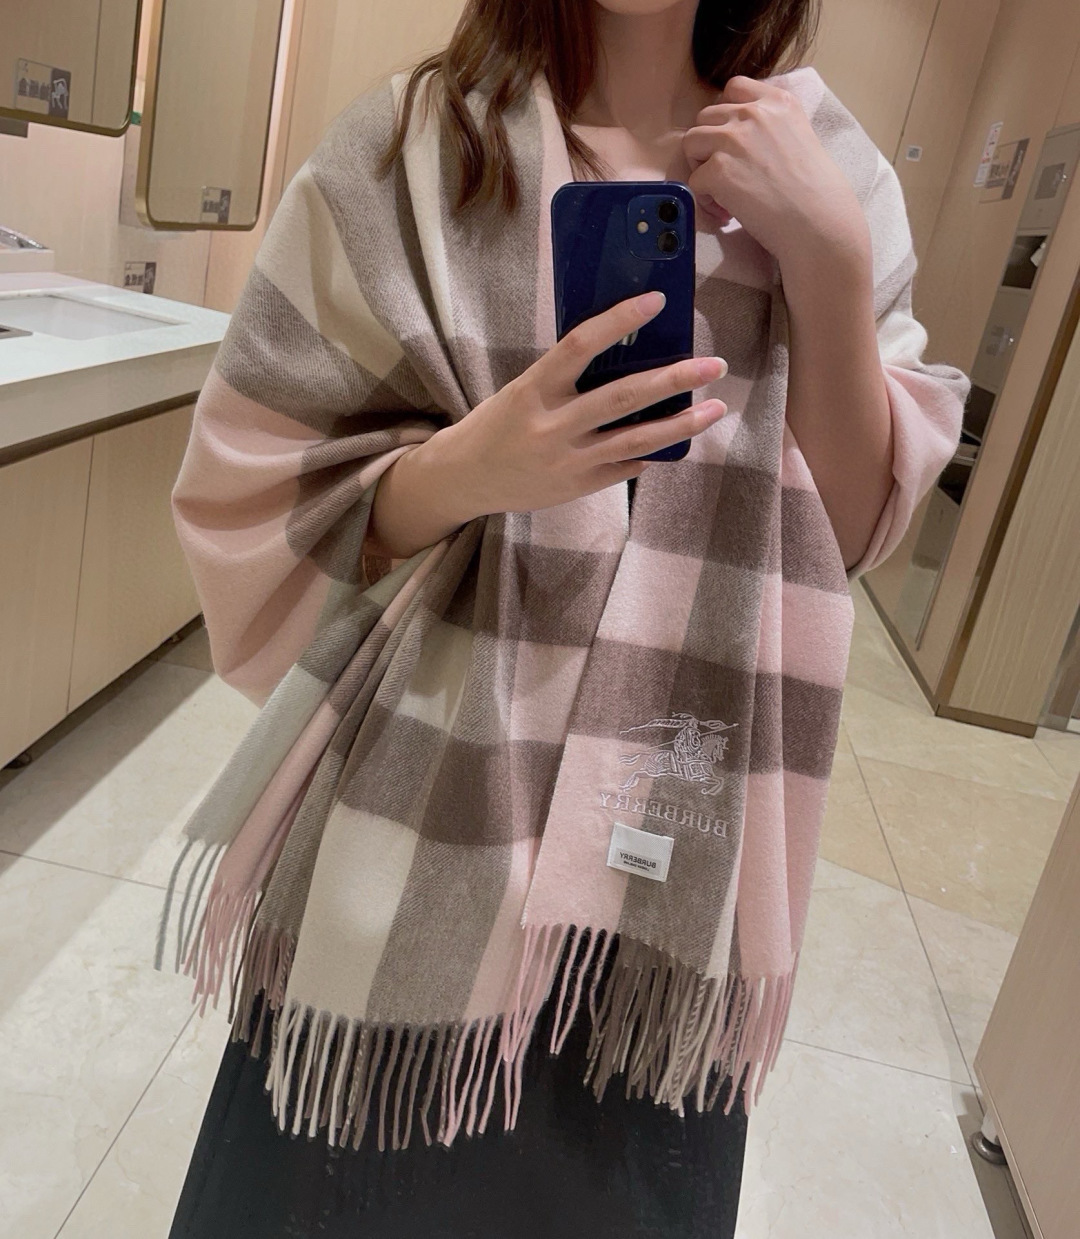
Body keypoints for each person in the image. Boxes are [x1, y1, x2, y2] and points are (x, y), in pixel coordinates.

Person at [166, 1, 967, 1235]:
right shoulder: (408, 152)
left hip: (669, 848)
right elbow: (260, 481)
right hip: (418, 828)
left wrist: (830, 260)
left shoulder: (828, 165)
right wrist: (471, 470)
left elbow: (851, 530)